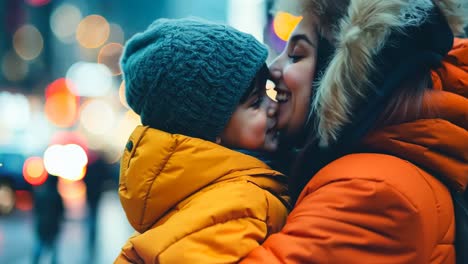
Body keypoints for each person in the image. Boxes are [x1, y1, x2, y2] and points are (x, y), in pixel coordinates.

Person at [241, 0, 468, 263]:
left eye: (296, 55)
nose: (273, 70)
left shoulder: (373, 191)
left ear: (341, 74)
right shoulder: (373, 173)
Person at [114, 17, 291, 263]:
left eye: (267, 93)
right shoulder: (240, 206)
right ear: (209, 130)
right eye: (255, 102)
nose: (273, 106)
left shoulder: (209, 194)